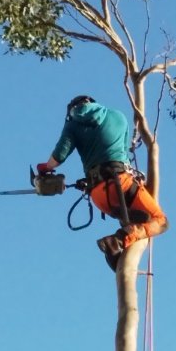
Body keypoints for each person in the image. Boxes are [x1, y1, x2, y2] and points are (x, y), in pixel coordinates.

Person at [38, 93, 167, 269]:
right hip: (122, 183)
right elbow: (122, 155)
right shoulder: (118, 116)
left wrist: (45, 168)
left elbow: (59, 156)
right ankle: (118, 240)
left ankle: (118, 248)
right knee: (160, 221)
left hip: (99, 196)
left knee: (136, 218)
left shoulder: (72, 125)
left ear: (71, 111)